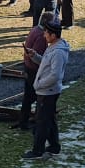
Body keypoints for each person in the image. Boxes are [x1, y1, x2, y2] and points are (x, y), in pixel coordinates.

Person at [24, 20, 69, 159]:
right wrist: (35, 56)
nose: (44, 35)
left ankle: (38, 151)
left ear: (54, 35)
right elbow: (46, 63)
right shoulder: (53, 47)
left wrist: (39, 84)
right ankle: (54, 147)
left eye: (46, 33)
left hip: (48, 92)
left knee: (42, 123)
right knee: (50, 119)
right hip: (47, 91)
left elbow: (55, 75)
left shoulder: (58, 52)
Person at [15, 11, 52, 131]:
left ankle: (23, 121)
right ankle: (34, 122)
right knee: (37, 97)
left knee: (28, 97)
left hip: (28, 67)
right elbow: (38, 58)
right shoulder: (41, 36)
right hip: (34, 70)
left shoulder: (35, 29)